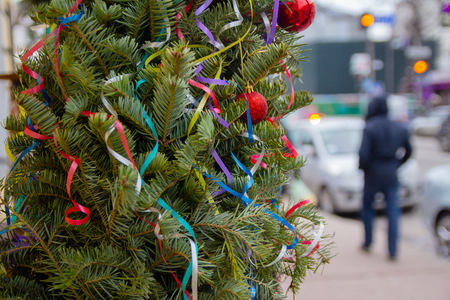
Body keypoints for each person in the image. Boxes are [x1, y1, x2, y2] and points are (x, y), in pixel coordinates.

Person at [358, 95, 412, 260]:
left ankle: (368, 242)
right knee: (393, 212)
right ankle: (393, 250)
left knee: (368, 207)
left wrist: (364, 168)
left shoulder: (370, 127)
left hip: (373, 173)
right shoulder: (398, 126)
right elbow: (409, 150)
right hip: (391, 173)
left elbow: (363, 154)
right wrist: (397, 164)